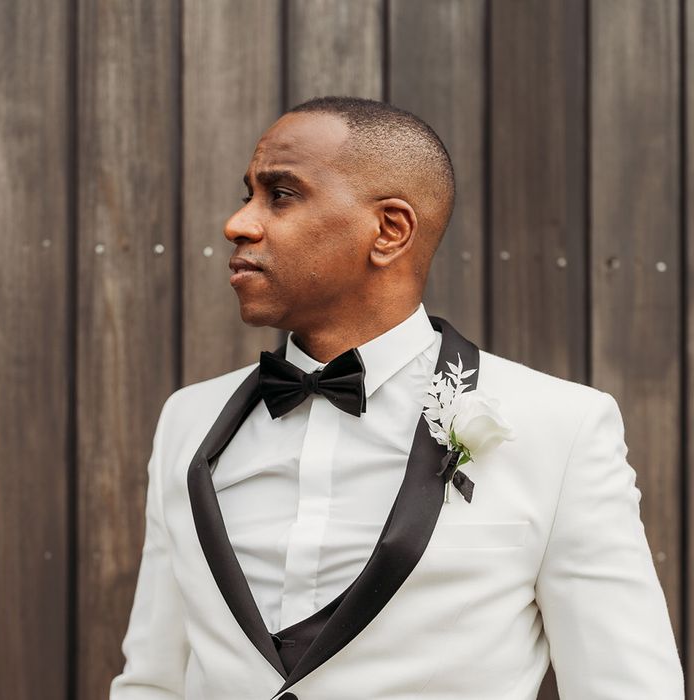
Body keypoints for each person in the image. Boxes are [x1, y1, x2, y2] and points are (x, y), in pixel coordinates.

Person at [110, 96, 684, 699]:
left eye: (280, 195)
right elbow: (154, 681)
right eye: (247, 194)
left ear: (389, 231)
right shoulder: (187, 421)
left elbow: (627, 687)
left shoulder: (560, 427)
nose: (239, 223)